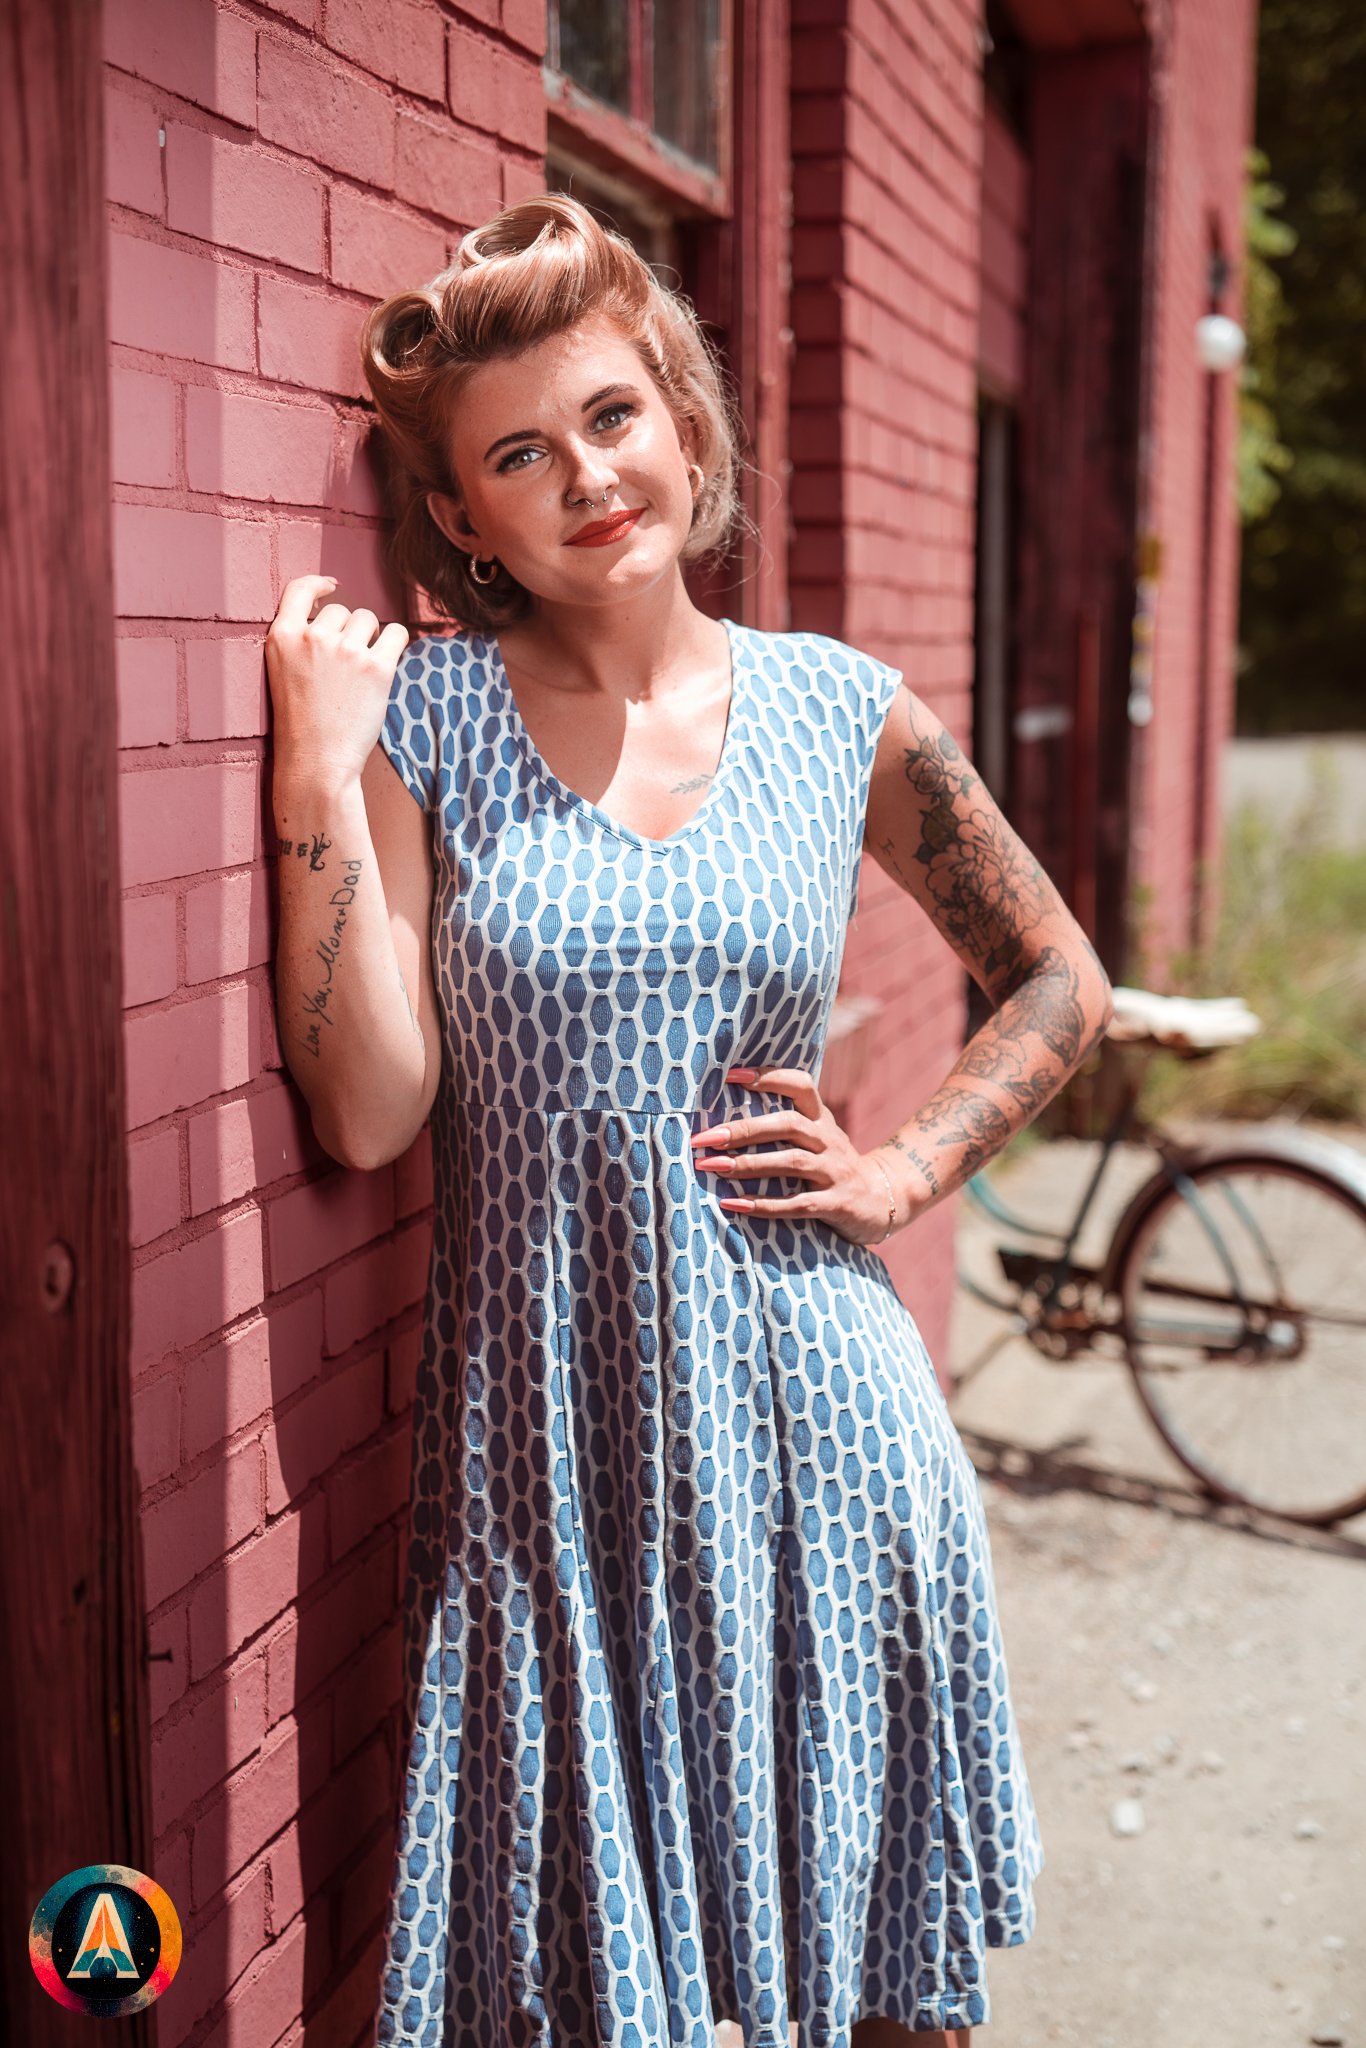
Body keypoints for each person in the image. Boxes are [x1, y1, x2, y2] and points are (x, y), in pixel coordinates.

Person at [264, 193, 1113, 2048]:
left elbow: (1059, 975)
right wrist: (321, 774)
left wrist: (903, 1167)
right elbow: (372, 1107)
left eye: (611, 417)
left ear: (679, 415)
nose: (584, 476)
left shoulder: (837, 709)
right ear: (460, 516)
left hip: (821, 1439)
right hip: (556, 1465)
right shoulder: (432, 726)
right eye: (517, 454)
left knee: (887, 1988)